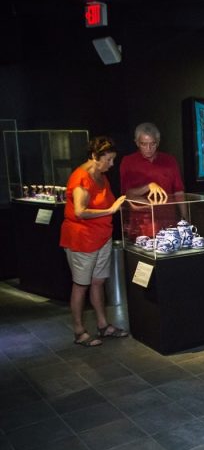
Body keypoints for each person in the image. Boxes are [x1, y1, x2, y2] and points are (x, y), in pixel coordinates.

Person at [60, 137, 129, 347]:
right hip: (83, 239)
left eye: (113, 159)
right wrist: (110, 210)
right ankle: (79, 331)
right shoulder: (81, 178)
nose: (112, 164)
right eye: (108, 160)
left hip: (102, 237)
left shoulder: (101, 175)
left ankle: (103, 325)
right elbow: (80, 211)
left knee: (98, 281)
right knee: (81, 284)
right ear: (94, 156)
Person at [120, 122, 184, 203]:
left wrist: (184, 215)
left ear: (158, 142)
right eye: (144, 144)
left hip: (167, 213)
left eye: (152, 144)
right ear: (137, 143)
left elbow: (178, 192)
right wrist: (148, 187)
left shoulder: (170, 160)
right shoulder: (128, 161)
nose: (148, 148)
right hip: (140, 213)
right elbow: (125, 195)